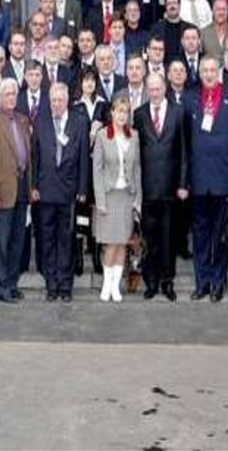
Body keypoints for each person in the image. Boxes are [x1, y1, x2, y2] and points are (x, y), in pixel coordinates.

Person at [183, 57, 228, 302]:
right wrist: (185, 179)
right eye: (204, 70)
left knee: (220, 235)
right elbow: (185, 142)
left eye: (212, 70)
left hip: (224, 176)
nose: (208, 74)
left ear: (218, 72)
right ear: (199, 73)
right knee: (200, 235)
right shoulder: (189, 99)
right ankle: (202, 283)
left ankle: (218, 282)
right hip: (198, 178)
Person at [30, 82, 90, 302]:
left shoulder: (79, 122)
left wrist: (82, 188)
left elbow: (83, 157)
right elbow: (35, 156)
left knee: (67, 239)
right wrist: (33, 186)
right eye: (53, 100)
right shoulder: (41, 121)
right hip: (45, 191)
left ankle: (65, 285)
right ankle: (51, 284)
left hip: (69, 192)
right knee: (47, 239)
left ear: (67, 101)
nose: (56, 104)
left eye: (60, 100)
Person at [132, 73, 186, 301]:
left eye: (158, 88)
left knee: (168, 238)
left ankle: (167, 281)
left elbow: (184, 151)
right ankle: (151, 281)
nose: (154, 93)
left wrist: (183, 183)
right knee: (150, 239)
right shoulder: (139, 114)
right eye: (151, 89)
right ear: (147, 90)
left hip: (171, 189)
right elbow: (135, 154)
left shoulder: (178, 112)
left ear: (165, 88)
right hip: (147, 189)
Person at [0, 79, 32, 304]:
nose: (11, 98)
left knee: (17, 242)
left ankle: (12, 284)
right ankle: (0, 287)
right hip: (2, 192)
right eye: (7, 94)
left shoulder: (23, 120)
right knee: (1, 242)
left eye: (13, 94)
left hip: (22, 189)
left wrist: (31, 187)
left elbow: (29, 157)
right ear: (0, 97)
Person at [91, 95, 140, 302]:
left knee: (122, 243)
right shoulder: (102, 135)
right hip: (109, 197)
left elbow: (137, 169)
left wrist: (138, 199)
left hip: (126, 197)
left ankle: (115, 286)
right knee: (110, 243)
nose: (122, 115)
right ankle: (106, 284)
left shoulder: (134, 136)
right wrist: (100, 200)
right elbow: (97, 170)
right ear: (112, 112)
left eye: (125, 112)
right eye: (119, 111)